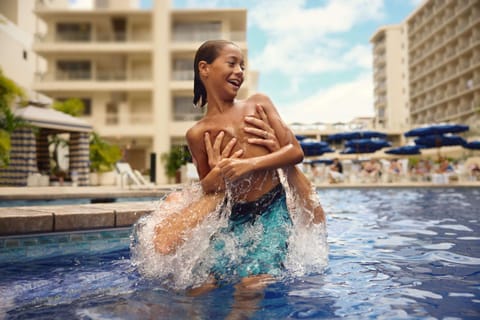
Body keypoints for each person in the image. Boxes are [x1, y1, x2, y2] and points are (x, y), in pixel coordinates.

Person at [153, 40, 325, 285]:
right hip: (233, 216)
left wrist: (250, 164)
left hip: (271, 209)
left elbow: (295, 152)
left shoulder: (258, 104)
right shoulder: (197, 133)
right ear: (205, 68)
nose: (239, 72)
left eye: (242, 66)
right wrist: (217, 175)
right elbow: (210, 191)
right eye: (232, 63)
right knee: (205, 282)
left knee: (250, 283)